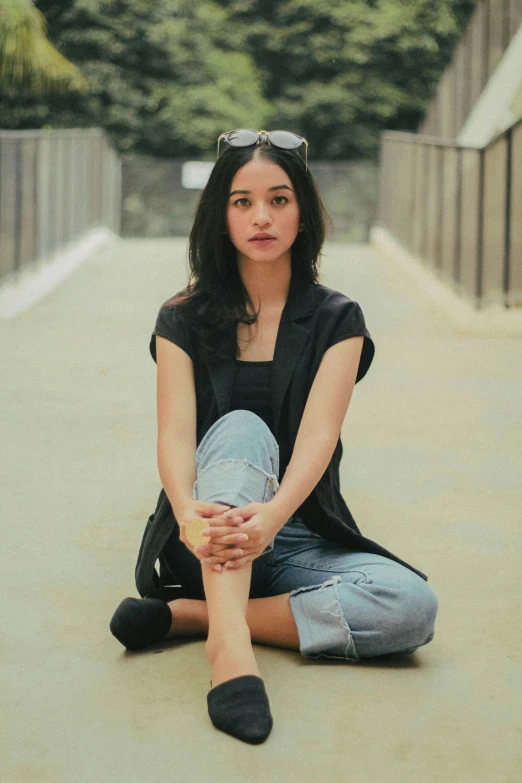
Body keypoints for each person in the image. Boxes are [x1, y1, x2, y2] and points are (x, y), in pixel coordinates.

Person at [110, 129, 438, 745]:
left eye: (279, 199)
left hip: (291, 533)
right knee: (241, 429)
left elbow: (318, 439)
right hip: (205, 533)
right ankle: (230, 655)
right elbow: (176, 436)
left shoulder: (339, 320)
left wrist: (272, 520)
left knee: (411, 608)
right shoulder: (179, 317)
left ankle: (194, 616)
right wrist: (187, 515)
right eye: (242, 201)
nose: (262, 216)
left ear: (302, 211)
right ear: (221, 214)